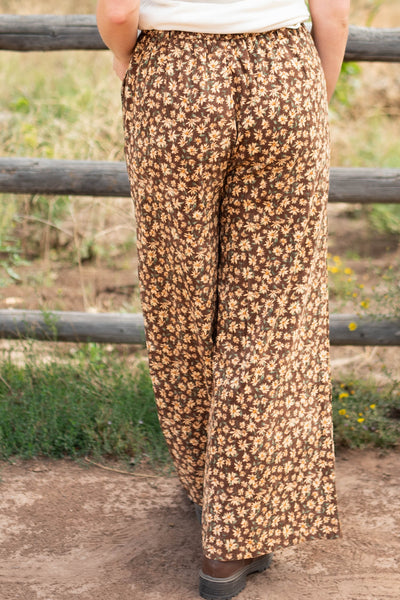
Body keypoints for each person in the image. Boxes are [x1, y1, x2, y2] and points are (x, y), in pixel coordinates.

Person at [96, 1, 350, 598]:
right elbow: (333, 12)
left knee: (179, 299)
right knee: (273, 313)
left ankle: (213, 491)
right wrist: (310, 94)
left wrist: (142, 65)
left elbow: (115, 11)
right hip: (283, 72)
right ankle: (234, 533)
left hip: (173, 75)